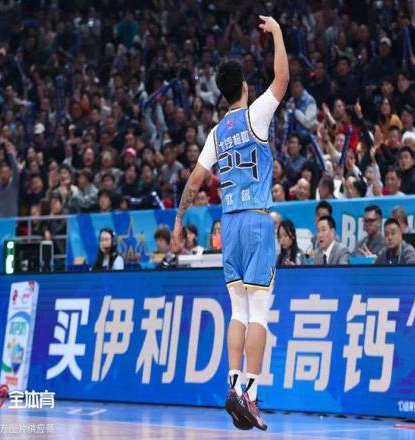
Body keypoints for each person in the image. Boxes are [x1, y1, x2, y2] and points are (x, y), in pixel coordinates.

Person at [172, 15, 289, 431]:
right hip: (256, 221)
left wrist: (178, 221)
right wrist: (277, 33)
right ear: (243, 87)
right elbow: (282, 79)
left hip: (229, 226)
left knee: (237, 309)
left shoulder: (217, 133)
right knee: (260, 312)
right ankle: (251, 395)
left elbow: (194, 182)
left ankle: (233, 383)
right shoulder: (256, 115)